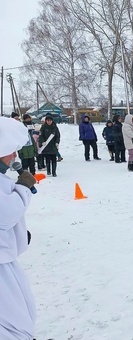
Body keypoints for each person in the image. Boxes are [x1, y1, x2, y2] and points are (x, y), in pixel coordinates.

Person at [0, 116, 37, 339]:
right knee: (13, 320)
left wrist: (20, 235)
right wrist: (23, 187)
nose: (14, 155)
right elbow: (6, 215)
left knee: (21, 311)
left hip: (5, 258)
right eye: (11, 150)